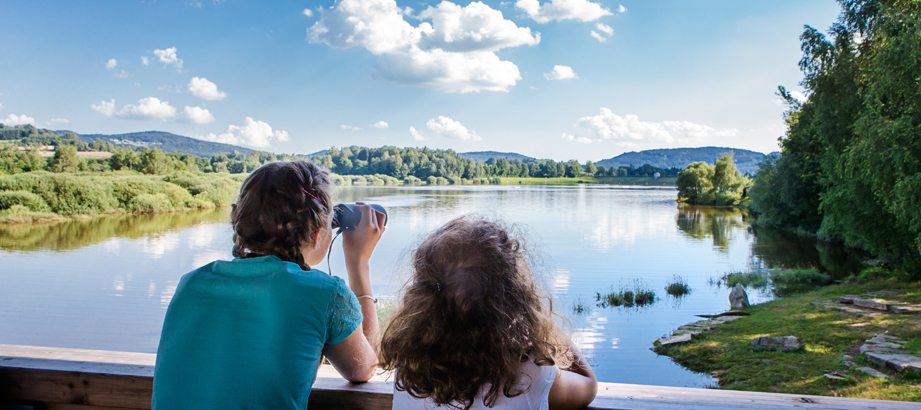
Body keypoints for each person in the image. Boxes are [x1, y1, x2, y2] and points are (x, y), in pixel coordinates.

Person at [152, 161, 385, 409]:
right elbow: (365, 368)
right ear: (317, 234)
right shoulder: (325, 294)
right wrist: (358, 264)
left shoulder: (191, 282)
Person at [379, 217, 598, 410]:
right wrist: (537, 311)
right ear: (512, 299)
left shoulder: (409, 368)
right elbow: (587, 384)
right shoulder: (529, 377)